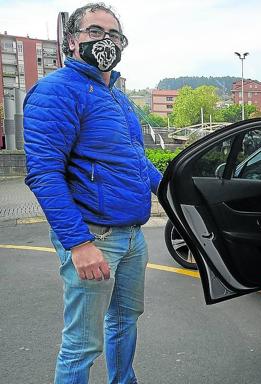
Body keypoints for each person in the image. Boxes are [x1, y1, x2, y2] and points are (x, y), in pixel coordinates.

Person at [23, 4, 162, 383]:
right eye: (96, 32)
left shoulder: (115, 96)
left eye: (114, 35)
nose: (107, 42)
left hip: (132, 236)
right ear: (72, 41)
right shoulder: (56, 91)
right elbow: (44, 175)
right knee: (82, 344)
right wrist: (79, 244)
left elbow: (136, 159)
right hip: (94, 236)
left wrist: (173, 188)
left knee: (124, 323)